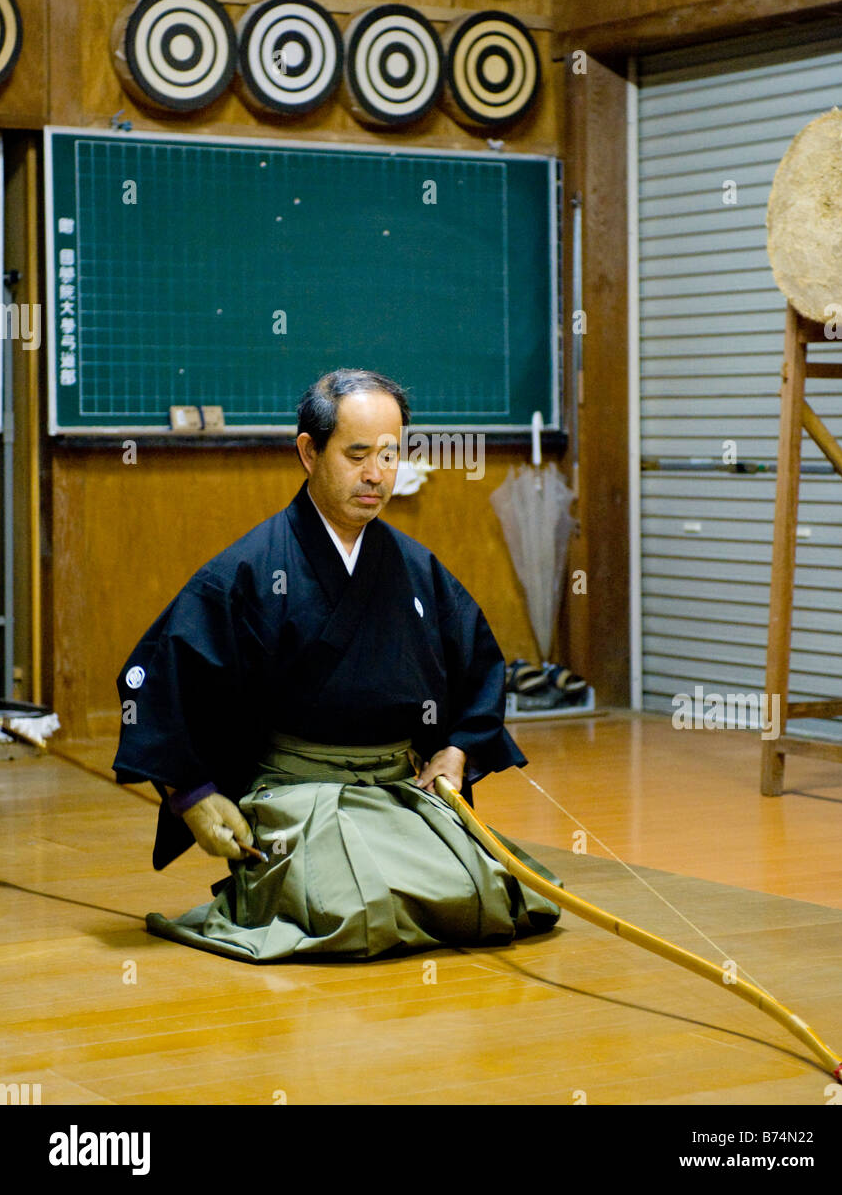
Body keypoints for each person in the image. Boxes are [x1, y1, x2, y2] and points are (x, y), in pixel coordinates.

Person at [113, 368, 562, 962]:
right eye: (356, 455)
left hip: (399, 790)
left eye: (389, 455)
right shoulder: (250, 570)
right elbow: (155, 680)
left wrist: (457, 749)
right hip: (300, 796)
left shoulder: (416, 570)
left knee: (498, 899)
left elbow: (478, 662)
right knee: (353, 913)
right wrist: (191, 795)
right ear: (309, 451)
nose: (376, 474)